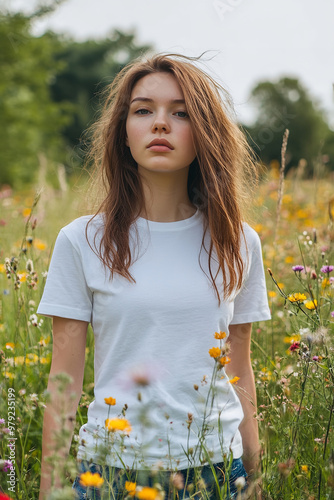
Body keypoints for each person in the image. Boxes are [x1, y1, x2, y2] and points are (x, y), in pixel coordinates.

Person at [37, 52, 271, 500]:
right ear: (124, 133)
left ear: (203, 133)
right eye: (143, 110)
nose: (160, 123)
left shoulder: (238, 241)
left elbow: (239, 366)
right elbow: (61, 383)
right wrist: (49, 490)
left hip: (217, 473)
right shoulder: (81, 241)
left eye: (180, 113)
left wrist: (256, 479)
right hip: (111, 472)